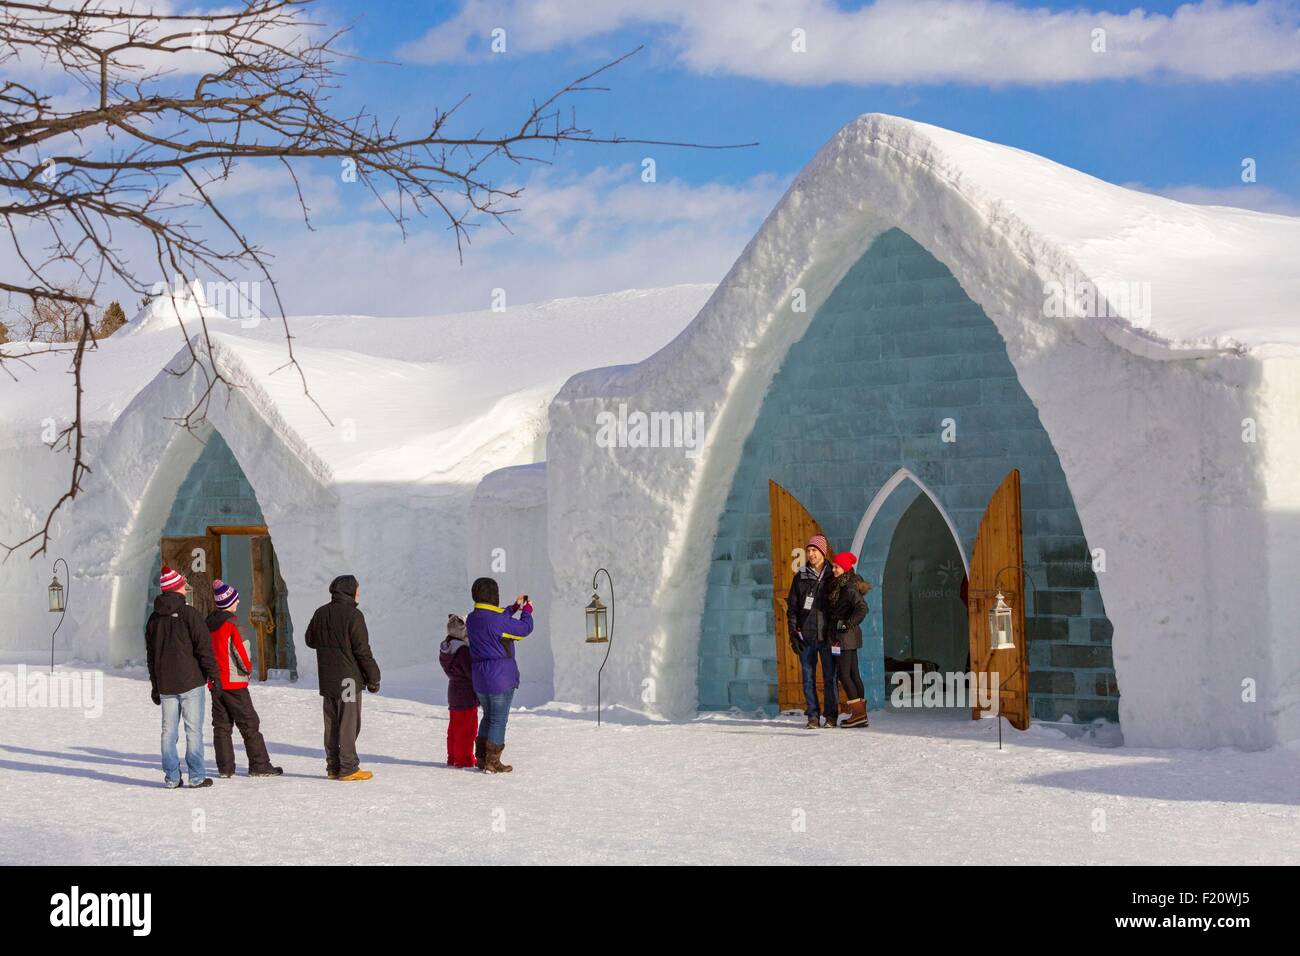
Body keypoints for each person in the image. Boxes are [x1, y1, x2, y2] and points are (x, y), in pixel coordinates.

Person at [145, 565, 221, 788]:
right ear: (178, 588)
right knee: (193, 730)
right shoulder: (190, 614)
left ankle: (171, 777)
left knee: (168, 732)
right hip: (191, 682)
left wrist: (155, 685)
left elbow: (151, 655)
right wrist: (213, 676)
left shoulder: (153, 619)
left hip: (166, 684)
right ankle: (196, 776)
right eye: (183, 585)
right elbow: (204, 648)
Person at [304, 574, 381, 781]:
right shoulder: (354, 616)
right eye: (357, 589)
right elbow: (362, 650)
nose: (359, 593)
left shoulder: (320, 613)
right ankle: (348, 768)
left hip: (327, 677)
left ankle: (333, 766)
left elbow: (310, 640)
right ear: (349, 590)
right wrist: (374, 677)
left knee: (331, 723)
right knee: (348, 722)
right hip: (348, 678)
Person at [207, 579, 283, 777]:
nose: (238, 602)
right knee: (250, 724)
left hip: (216, 682)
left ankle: (225, 768)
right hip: (234, 683)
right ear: (229, 602)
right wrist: (247, 670)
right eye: (236, 599)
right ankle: (259, 765)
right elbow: (241, 653)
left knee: (222, 726)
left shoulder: (208, 624)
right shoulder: (232, 625)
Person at [466, 577, 533, 773]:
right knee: (498, 720)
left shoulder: (473, 618)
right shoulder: (498, 621)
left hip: (479, 677)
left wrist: (513, 607)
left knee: (488, 716)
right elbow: (523, 630)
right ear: (494, 595)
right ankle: (492, 762)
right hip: (500, 677)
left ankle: (481, 757)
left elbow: (495, 618)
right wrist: (527, 612)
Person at [786, 533, 838, 729]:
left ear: (823, 552)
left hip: (826, 636)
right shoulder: (800, 577)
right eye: (809, 550)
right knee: (808, 678)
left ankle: (831, 716)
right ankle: (813, 716)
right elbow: (792, 608)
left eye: (814, 550)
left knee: (829, 677)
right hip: (806, 636)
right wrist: (793, 635)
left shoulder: (833, 575)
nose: (811, 554)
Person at [828, 552, 871, 728]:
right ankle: (861, 713)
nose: (833, 569)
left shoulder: (849, 587)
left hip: (845, 637)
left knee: (844, 675)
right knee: (853, 674)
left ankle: (858, 714)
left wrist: (847, 624)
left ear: (845, 568)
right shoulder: (846, 584)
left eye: (836, 567)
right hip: (848, 637)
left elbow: (862, 608)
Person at [440, 613, 477, 768]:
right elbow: (471, 672)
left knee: (454, 728)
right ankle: (464, 759)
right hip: (466, 693)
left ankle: (453, 756)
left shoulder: (446, 648)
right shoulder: (462, 651)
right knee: (467, 729)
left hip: (454, 691)